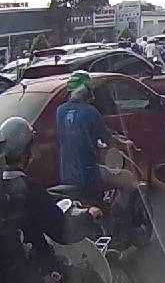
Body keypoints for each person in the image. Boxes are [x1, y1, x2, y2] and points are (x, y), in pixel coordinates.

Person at [0, 116, 119, 283]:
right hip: (33, 274)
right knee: (92, 281)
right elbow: (61, 231)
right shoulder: (27, 189)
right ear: (26, 150)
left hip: (6, 272)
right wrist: (89, 216)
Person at [55, 72, 139, 201]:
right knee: (128, 178)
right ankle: (120, 212)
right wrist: (125, 144)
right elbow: (109, 140)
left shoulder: (60, 111)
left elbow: (79, 134)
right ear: (86, 90)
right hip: (89, 174)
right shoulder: (90, 111)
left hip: (67, 175)